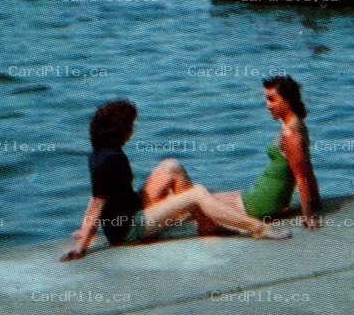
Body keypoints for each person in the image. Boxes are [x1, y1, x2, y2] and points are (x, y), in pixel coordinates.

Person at [62, 99, 285, 261]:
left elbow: (100, 198)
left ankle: (206, 224)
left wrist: (84, 230)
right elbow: (97, 203)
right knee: (197, 193)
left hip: (132, 209)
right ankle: (256, 228)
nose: (133, 130)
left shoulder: (100, 152)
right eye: (131, 125)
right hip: (128, 229)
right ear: (121, 130)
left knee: (172, 166)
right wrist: (82, 245)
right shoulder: (110, 160)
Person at [210, 77, 322, 231]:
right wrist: (316, 201)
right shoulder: (297, 124)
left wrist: (308, 218)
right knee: (210, 197)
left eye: (272, 99)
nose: (267, 105)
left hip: (263, 203)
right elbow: (308, 168)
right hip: (261, 194)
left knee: (200, 201)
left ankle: (167, 223)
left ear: (287, 101)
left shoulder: (290, 133)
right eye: (267, 99)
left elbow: (301, 177)